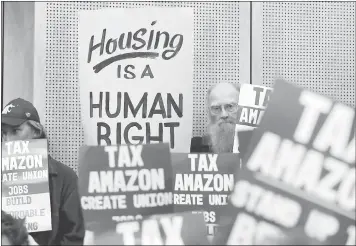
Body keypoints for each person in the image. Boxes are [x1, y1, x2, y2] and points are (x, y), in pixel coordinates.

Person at [2, 98, 85, 245]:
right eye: (3, 133)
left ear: (36, 131)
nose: (8, 140)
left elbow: (75, 238)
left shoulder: (66, 178)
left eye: (15, 131)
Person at [190, 82, 240, 153]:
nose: (224, 115)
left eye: (230, 106)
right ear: (209, 112)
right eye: (216, 108)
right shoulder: (195, 148)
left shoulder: (256, 149)